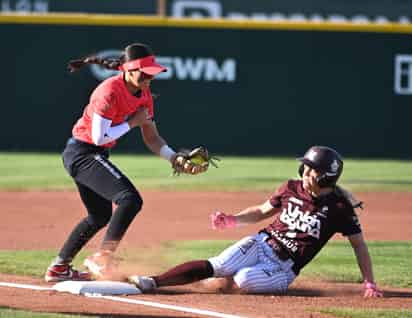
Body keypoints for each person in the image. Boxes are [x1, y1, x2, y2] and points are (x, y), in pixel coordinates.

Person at [45, 43, 209, 282]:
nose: (150, 77)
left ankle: (59, 267)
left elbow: (152, 138)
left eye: (152, 72)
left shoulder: (144, 97)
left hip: (95, 154)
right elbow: (99, 137)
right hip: (82, 153)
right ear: (129, 70)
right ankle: (102, 257)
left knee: (99, 216)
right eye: (145, 73)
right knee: (129, 199)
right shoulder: (108, 91)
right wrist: (133, 122)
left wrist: (174, 158)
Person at [128, 146, 383, 297]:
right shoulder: (291, 188)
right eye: (305, 167)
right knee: (219, 264)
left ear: (326, 176)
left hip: (284, 268)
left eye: (312, 169)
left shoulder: (339, 208)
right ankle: (154, 281)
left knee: (244, 279)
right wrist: (232, 220)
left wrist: (369, 282)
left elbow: (359, 245)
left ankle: (210, 284)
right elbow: (262, 211)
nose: (305, 172)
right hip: (262, 243)